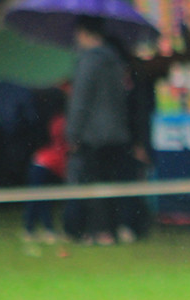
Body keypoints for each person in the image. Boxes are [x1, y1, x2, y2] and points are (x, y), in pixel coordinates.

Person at [66, 16, 132, 246]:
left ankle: (99, 232)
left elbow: (80, 100)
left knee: (92, 184)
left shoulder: (89, 61)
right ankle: (113, 229)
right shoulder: (115, 60)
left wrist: (73, 133)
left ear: (84, 33)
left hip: (93, 135)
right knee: (111, 183)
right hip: (117, 133)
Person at [23, 113, 67, 245]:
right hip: (43, 166)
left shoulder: (59, 124)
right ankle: (45, 230)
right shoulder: (65, 147)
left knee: (38, 199)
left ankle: (31, 229)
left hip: (41, 163)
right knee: (41, 199)